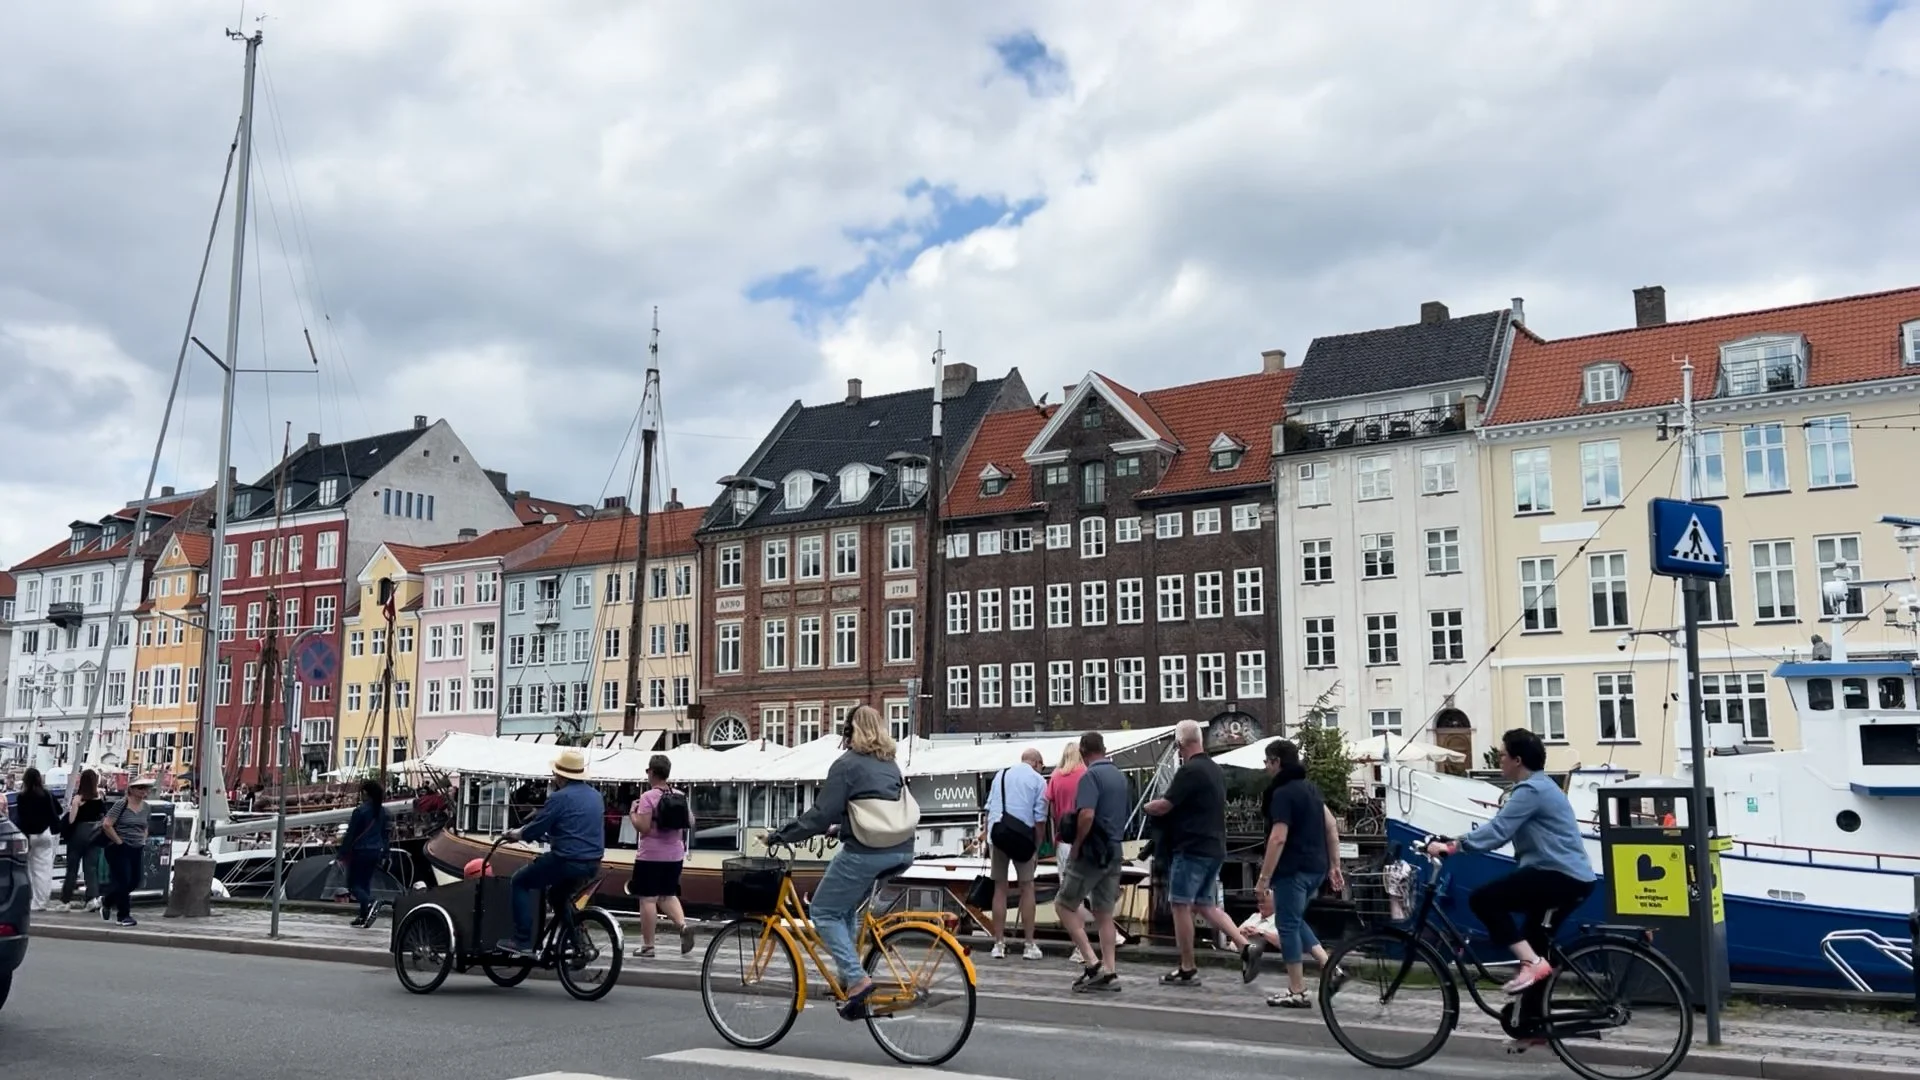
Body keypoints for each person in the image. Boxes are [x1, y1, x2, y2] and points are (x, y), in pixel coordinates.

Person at [769, 704, 915, 1020]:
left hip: (867, 853)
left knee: (823, 910)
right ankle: (849, 980)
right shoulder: (890, 765)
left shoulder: (846, 766)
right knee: (845, 908)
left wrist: (782, 835)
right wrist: (843, 827)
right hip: (901, 851)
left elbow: (821, 814)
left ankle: (858, 980)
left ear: (850, 732)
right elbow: (877, 813)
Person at [1425, 727, 1596, 996]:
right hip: (1572, 877)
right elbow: (1500, 829)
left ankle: (1532, 964)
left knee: (1484, 899)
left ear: (1518, 760)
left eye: (1503, 755)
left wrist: (1452, 847)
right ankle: (1533, 1024)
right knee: (1532, 939)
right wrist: (1454, 840)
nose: (1499, 760)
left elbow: (1498, 831)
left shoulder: (1531, 790)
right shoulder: (1540, 786)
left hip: (1559, 875)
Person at [1143, 720, 1264, 986]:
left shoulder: (1189, 771)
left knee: (1180, 905)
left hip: (1192, 848)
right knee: (1205, 904)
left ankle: (1187, 967)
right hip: (1215, 847)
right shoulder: (1214, 769)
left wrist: (1147, 807)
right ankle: (1245, 947)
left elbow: (1165, 805)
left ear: (1179, 744)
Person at [1255, 739, 1346, 1008]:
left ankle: (1297, 990)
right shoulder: (1311, 789)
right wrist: (1334, 864)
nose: (1265, 769)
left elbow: (1278, 837)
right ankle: (1332, 969)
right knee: (1293, 919)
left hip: (1292, 869)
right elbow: (1331, 827)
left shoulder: (1282, 793)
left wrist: (1263, 878)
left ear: (1276, 762)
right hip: (1315, 868)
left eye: (1266, 762)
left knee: (1287, 926)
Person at [496, 748, 606, 958]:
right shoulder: (595, 796)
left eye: (555, 773)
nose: (554, 777)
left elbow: (535, 829)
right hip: (592, 863)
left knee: (520, 881)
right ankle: (577, 943)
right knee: (557, 896)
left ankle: (522, 940)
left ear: (561, 776)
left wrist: (515, 834)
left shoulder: (559, 797)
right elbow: (576, 828)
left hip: (566, 861)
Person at [1055, 731, 1129, 994]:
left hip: (1091, 852)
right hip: (1114, 850)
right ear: (1105, 749)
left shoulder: (1091, 776)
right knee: (1104, 914)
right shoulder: (1120, 777)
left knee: (1063, 905)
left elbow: (1086, 814)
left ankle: (1091, 962)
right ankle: (1110, 972)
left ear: (1084, 752)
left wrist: (1076, 846)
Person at [628, 753, 697, 958]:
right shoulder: (679, 795)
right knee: (667, 895)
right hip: (675, 854)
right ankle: (683, 927)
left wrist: (633, 813)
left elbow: (644, 827)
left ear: (652, 772)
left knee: (648, 899)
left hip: (651, 856)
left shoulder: (648, 797)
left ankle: (648, 947)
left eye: (648, 771)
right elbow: (691, 822)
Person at [983, 748, 1049, 960]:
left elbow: (989, 809)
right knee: (1027, 888)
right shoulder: (1039, 781)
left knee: (1000, 888)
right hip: (1023, 839)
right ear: (1037, 763)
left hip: (999, 835)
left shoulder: (1001, 775)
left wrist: (988, 838)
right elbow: (1040, 819)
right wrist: (1036, 848)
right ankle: (1029, 945)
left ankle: (999, 944)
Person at [100, 777, 153, 927]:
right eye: (140, 788)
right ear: (131, 789)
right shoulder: (121, 805)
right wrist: (119, 841)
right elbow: (107, 824)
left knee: (134, 881)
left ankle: (107, 900)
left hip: (137, 847)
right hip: (119, 847)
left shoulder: (146, 807)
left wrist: (143, 839)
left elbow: (145, 825)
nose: (143, 791)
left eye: (145, 788)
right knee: (122, 880)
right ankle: (123, 915)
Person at [339, 779, 391, 927]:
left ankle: (369, 902)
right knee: (365, 883)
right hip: (376, 851)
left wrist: (342, 853)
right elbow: (385, 835)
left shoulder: (360, 812)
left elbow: (351, 834)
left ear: (366, 794)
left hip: (361, 851)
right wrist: (386, 854)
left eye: (362, 793)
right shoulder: (382, 812)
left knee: (353, 884)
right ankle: (363, 916)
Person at [15, 767, 61, 912]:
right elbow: (58, 811)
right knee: (44, 869)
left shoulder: (21, 797)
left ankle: (32, 899)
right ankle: (42, 900)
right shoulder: (46, 794)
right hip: (46, 834)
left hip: (29, 836)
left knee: (29, 869)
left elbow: (21, 819)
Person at [60, 767, 105, 911]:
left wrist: (73, 807)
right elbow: (103, 816)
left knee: (72, 868)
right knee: (91, 868)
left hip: (78, 834)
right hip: (94, 834)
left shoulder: (78, 799)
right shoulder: (99, 798)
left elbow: (72, 820)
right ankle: (92, 898)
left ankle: (65, 901)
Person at [1046, 742, 1085, 865]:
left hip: (1063, 836)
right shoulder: (1086, 773)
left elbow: (1052, 811)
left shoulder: (1055, 777)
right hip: (1084, 835)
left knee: (1064, 880)